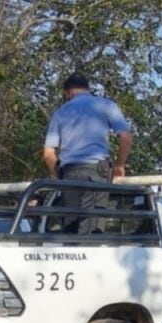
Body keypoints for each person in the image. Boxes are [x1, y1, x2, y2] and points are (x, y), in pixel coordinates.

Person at [43, 73, 132, 228]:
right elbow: (125, 137)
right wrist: (120, 165)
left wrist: (58, 175)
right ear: (88, 89)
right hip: (96, 173)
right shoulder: (106, 105)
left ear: (68, 92)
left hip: (69, 173)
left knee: (70, 229)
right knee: (92, 230)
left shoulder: (60, 112)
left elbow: (48, 154)